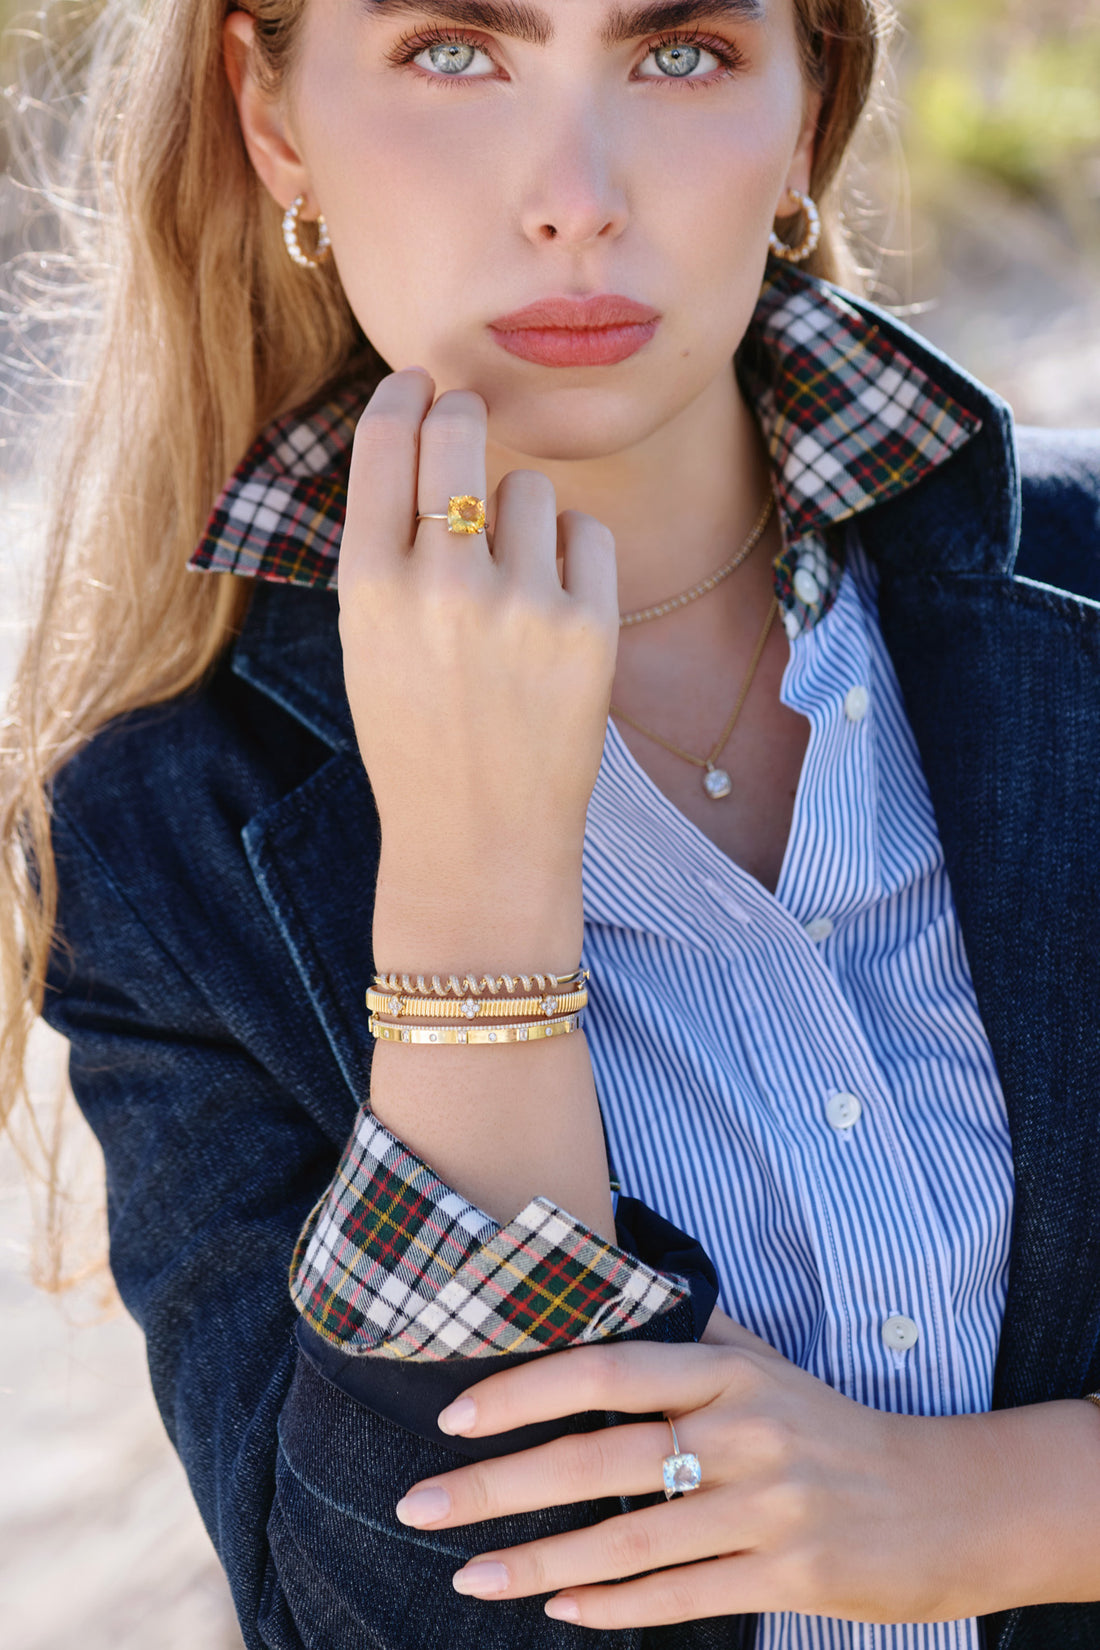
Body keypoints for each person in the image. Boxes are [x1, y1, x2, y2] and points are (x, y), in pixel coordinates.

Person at [2, 0, 1099, 1646]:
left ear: (807, 112)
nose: (576, 192)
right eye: (456, 52)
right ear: (274, 114)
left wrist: (996, 1511)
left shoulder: (1080, 602)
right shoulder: (160, 841)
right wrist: (471, 897)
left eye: (679, 53)